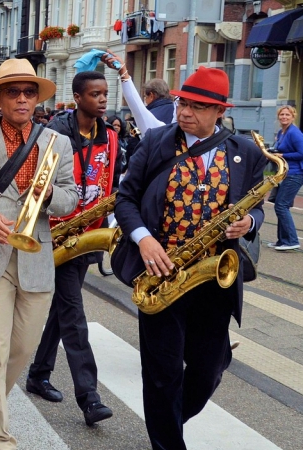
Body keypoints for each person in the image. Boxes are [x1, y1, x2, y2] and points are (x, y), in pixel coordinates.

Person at [114, 66, 265, 450]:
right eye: (183, 102)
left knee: (210, 368)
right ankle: (167, 441)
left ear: (219, 112)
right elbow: (125, 199)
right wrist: (144, 240)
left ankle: (168, 418)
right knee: (162, 371)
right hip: (161, 272)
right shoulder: (155, 142)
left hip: (214, 277)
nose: (184, 112)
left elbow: (259, 209)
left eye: (198, 106)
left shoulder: (245, 152)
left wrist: (248, 221)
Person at [0, 58, 78, 449]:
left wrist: (49, 194)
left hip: (36, 258)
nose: (22, 99)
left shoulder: (58, 142)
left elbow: (71, 198)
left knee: (22, 348)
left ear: (37, 98)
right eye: (13, 92)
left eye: (29, 92)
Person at [26, 71, 119, 427]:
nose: (102, 99)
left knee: (62, 309)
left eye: (105, 93)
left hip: (87, 235)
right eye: (95, 94)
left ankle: (38, 373)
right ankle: (89, 397)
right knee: (74, 314)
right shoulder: (53, 136)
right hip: (55, 232)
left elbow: (113, 181)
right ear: (77, 98)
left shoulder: (110, 137)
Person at [271, 105, 303, 251]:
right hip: (285, 173)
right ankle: (282, 241)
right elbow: (278, 148)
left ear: (292, 116)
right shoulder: (281, 132)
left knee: (281, 205)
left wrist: (283, 156)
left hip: (295, 174)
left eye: (287, 115)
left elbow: (301, 153)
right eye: (282, 114)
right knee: (281, 205)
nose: (284, 117)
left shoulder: (294, 133)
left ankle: (291, 241)